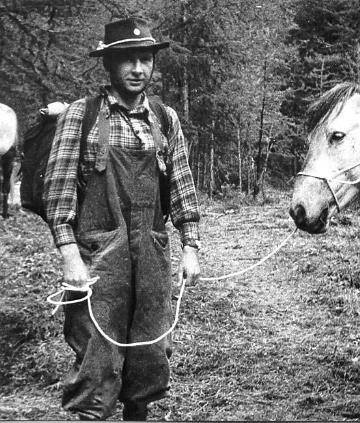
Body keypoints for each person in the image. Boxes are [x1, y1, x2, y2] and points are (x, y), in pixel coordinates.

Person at [44, 17, 201, 420]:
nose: (137, 69)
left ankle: (138, 413)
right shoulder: (81, 116)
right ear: (108, 65)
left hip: (151, 250)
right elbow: (59, 192)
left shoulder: (165, 120)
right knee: (96, 350)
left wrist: (190, 248)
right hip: (98, 256)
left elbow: (182, 188)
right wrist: (70, 257)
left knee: (150, 349)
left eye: (145, 59)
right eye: (127, 59)